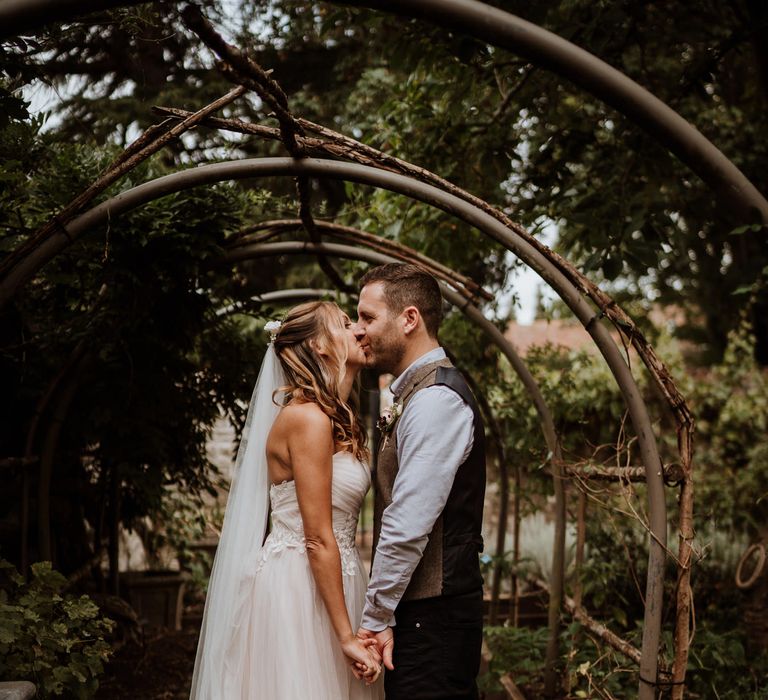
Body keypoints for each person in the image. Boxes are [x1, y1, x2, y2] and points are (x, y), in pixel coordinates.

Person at [190, 301, 384, 699]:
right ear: (318, 345)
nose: (359, 331)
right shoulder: (307, 418)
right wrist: (346, 636)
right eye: (346, 325)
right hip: (299, 587)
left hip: (337, 579)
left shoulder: (337, 417)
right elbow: (315, 537)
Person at [354, 264, 487, 700]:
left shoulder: (436, 401)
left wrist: (375, 616)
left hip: (436, 617)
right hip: (421, 615)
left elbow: (407, 523)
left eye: (368, 317)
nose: (358, 331)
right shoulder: (413, 395)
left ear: (409, 319)